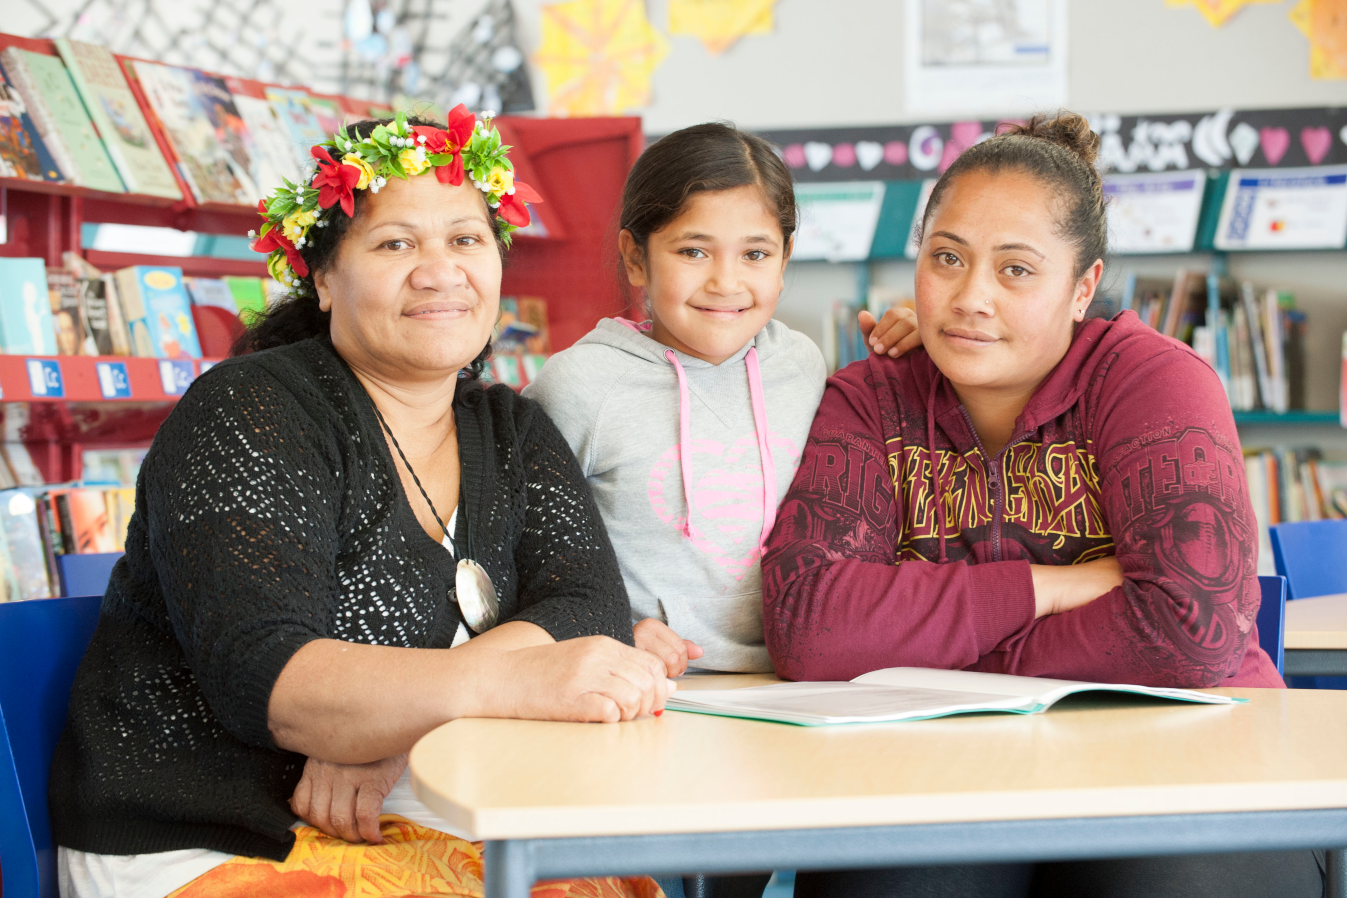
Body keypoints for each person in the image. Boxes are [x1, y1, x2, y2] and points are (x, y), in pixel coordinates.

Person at [49, 111, 672, 898]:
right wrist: (505, 682)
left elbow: (587, 608)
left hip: (411, 808)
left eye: (465, 239)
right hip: (214, 838)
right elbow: (269, 679)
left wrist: (381, 734)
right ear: (321, 277)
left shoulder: (510, 426)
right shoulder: (249, 410)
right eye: (395, 244)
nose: (440, 272)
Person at [761, 112, 1323, 898]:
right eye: (945, 258)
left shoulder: (1153, 379)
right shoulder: (869, 397)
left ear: (1081, 286)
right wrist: (1048, 589)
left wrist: (923, 661)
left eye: (1016, 270)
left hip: (1188, 759)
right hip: (937, 772)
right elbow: (806, 626)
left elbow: (1192, 628)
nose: (969, 298)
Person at [524, 122, 916, 898]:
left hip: (791, 695)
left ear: (786, 256)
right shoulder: (579, 387)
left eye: (755, 253)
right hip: (652, 705)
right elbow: (525, 550)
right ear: (636, 256)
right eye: (692, 250)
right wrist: (609, 627)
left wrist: (915, 346)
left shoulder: (802, 363)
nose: (725, 281)